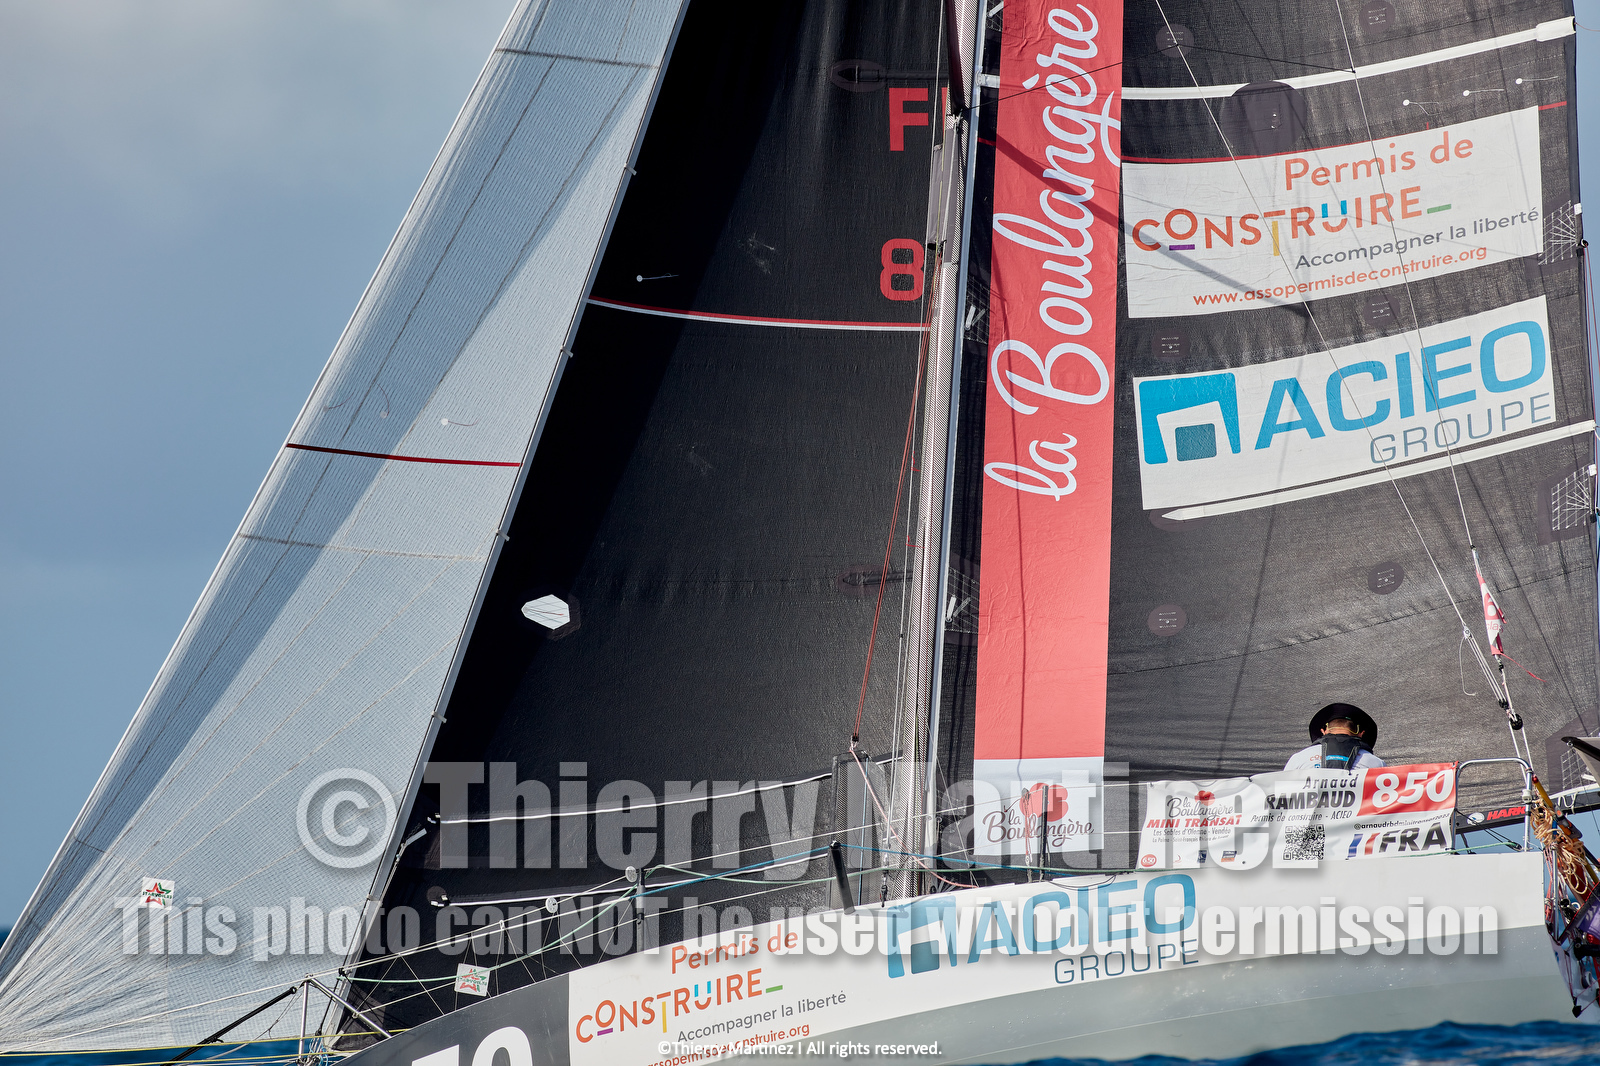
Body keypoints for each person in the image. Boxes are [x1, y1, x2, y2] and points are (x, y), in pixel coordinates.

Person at [1284, 703, 1387, 771]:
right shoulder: (1376, 763)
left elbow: (1281, 795)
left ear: (1323, 731)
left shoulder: (1299, 758)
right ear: (1361, 733)